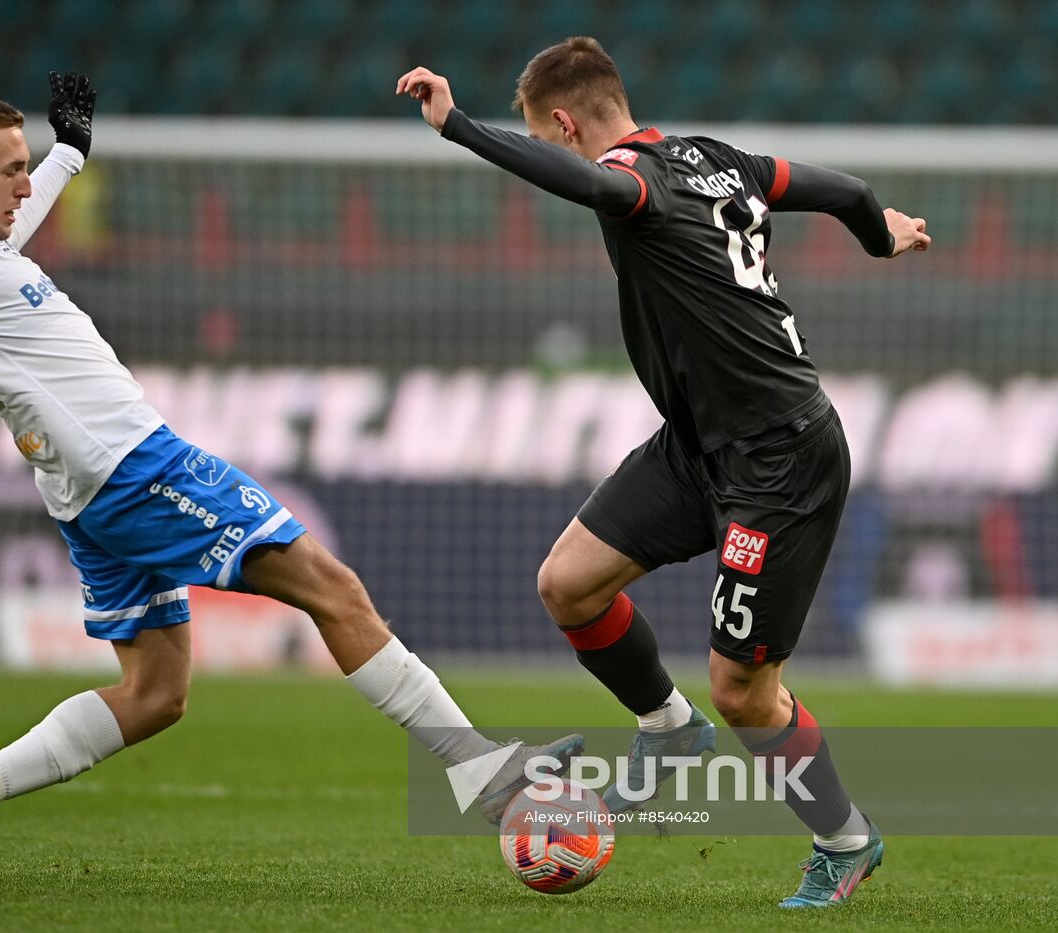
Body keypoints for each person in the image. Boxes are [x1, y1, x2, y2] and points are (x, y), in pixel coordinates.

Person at [0, 73, 580, 888]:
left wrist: (68, 153)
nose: (24, 188)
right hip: (133, 467)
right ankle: (485, 776)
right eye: (10, 170)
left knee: (156, 693)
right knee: (333, 588)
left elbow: (16, 219)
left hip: (89, 492)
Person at [397, 37, 929, 909]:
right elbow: (850, 193)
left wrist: (459, 126)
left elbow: (596, 185)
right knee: (569, 584)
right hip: (697, 444)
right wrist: (884, 236)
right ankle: (667, 729)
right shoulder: (722, 161)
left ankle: (846, 839)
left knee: (745, 693)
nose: (564, 151)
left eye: (553, 137)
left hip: (781, 459)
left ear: (564, 123)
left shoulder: (633, 181)